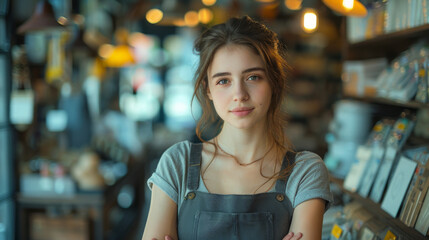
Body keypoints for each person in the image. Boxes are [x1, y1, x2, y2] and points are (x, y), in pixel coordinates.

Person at [142, 16, 333, 240]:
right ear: (208, 89)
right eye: (223, 81)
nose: (239, 95)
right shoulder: (177, 163)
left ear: (273, 82)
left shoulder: (304, 171)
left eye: (253, 77)